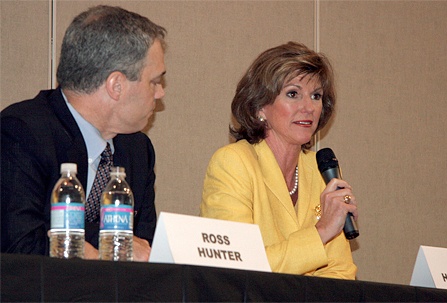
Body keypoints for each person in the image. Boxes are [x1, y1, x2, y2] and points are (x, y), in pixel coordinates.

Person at [1, 5, 167, 261]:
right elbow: (19, 249)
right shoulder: (22, 133)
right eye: (154, 81)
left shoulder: (137, 149)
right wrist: (103, 253)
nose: (160, 93)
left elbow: (145, 248)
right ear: (116, 85)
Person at [200, 42, 358, 278]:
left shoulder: (321, 170)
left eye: (316, 96)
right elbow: (237, 266)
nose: (308, 107)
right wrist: (322, 230)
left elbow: (341, 271)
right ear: (259, 107)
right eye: (293, 94)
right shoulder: (233, 163)